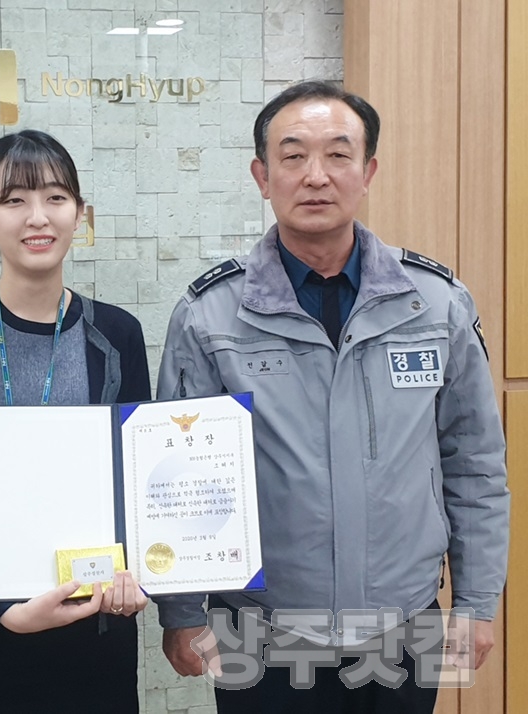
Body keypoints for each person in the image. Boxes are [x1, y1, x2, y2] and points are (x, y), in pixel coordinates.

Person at [155, 80, 509, 713]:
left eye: (338, 155)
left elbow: (475, 464)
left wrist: (477, 603)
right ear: (262, 177)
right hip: (257, 622)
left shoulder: (435, 304)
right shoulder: (210, 314)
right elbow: (178, 479)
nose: (316, 175)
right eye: (293, 156)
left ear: (367, 172)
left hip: (406, 618)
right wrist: (182, 613)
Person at [0, 129, 151, 713]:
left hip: (95, 636)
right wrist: (0, 607)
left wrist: (142, 573)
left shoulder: (118, 335)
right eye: (14, 200)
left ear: (79, 214)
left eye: (56, 197)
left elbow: (136, 480)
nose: (38, 216)